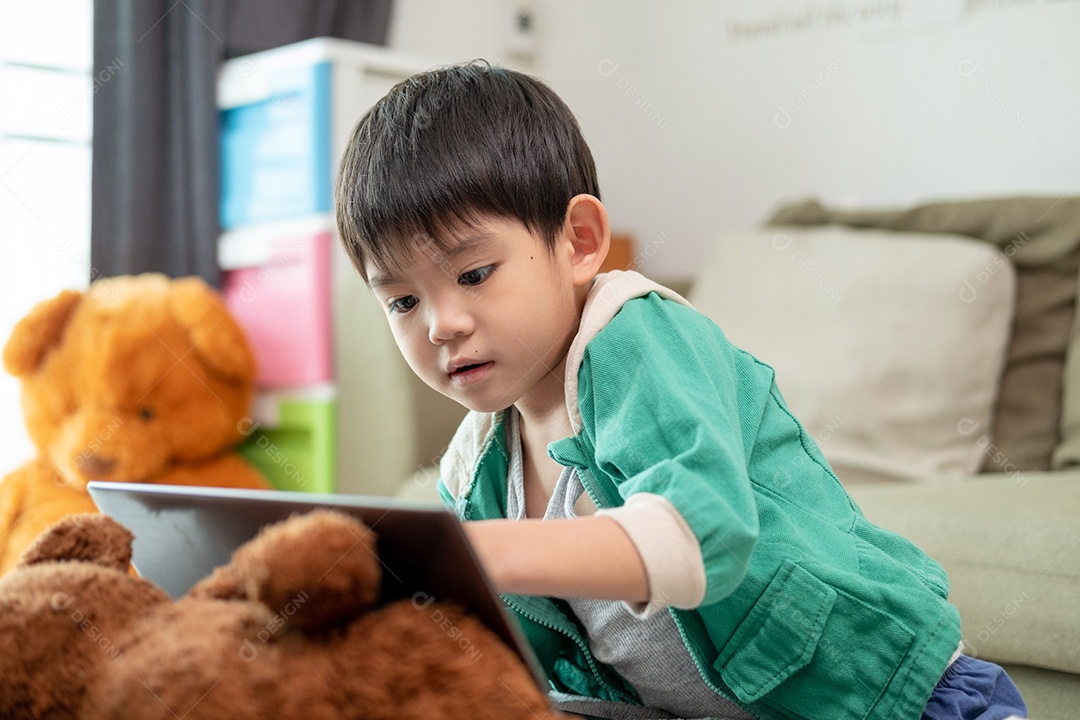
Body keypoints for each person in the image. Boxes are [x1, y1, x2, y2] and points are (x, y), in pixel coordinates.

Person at [334, 61, 1027, 720]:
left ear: (579, 242)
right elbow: (512, 661)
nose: (442, 325)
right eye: (402, 302)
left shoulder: (636, 338)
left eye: (474, 274)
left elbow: (700, 534)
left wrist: (486, 551)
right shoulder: (474, 471)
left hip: (893, 694)